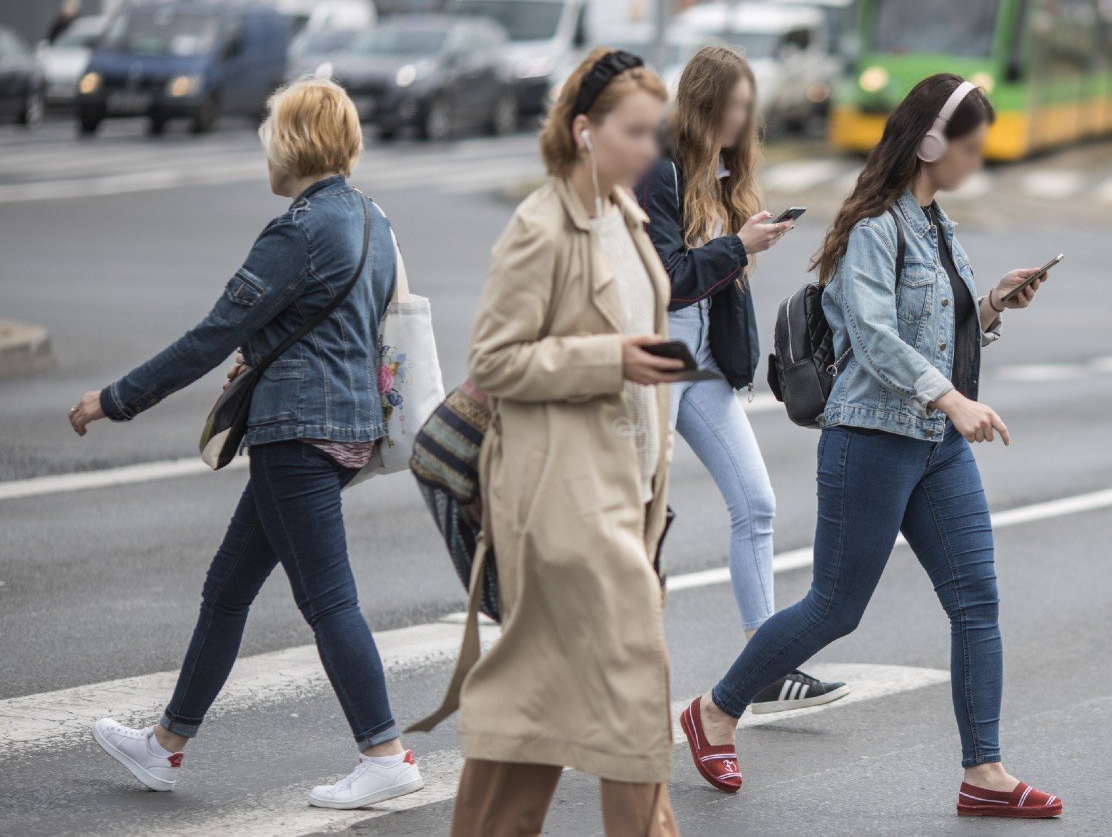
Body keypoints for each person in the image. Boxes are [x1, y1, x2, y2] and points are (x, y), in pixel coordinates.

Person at [678, 74, 1065, 819]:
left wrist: (988, 304)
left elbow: (931, 329)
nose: (975, 162)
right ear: (928, 144)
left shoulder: (938, 225)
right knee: (834, 607)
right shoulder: (874, 227)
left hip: (935, 445)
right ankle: (716, 711)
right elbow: (877, 339)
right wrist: (953, 397)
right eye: (969, 148)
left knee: (976, 601)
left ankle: (983, 771)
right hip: (871, 440)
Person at [67, 78, 425, 810]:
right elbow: (355, 322)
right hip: (348, 424)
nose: (265, 144)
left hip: (298, 430)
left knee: (329, 599)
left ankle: (384, 750)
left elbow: (209, 335)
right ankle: (166, 745)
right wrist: (268, 348)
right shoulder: (372, 219)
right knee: (227, 588)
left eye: (270, 131)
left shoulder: (299, 229)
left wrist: (116, 399)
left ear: (294, 143)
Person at [420, 49, 680, 836]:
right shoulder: (542, 225)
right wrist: (611, 359)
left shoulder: (625, 218)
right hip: (560, 501)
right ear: (582, 130)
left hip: (621, 492)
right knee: (633, 692)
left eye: (653, 133)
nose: (649, 150)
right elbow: (493, 361)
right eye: (634, 132)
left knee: (540, 701)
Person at [636, 45, 847, 713]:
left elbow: (717, 279)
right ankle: (600, 667)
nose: (739, 121)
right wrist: (739, 246)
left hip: (704, 368)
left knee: (756, 503)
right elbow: (666, 281)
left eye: (746, 110)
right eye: (730, 108)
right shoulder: (659, 170)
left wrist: (745, 244)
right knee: (636, 520)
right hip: (655, 364)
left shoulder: (722, 173)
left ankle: (763, 662)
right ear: (700, 104)